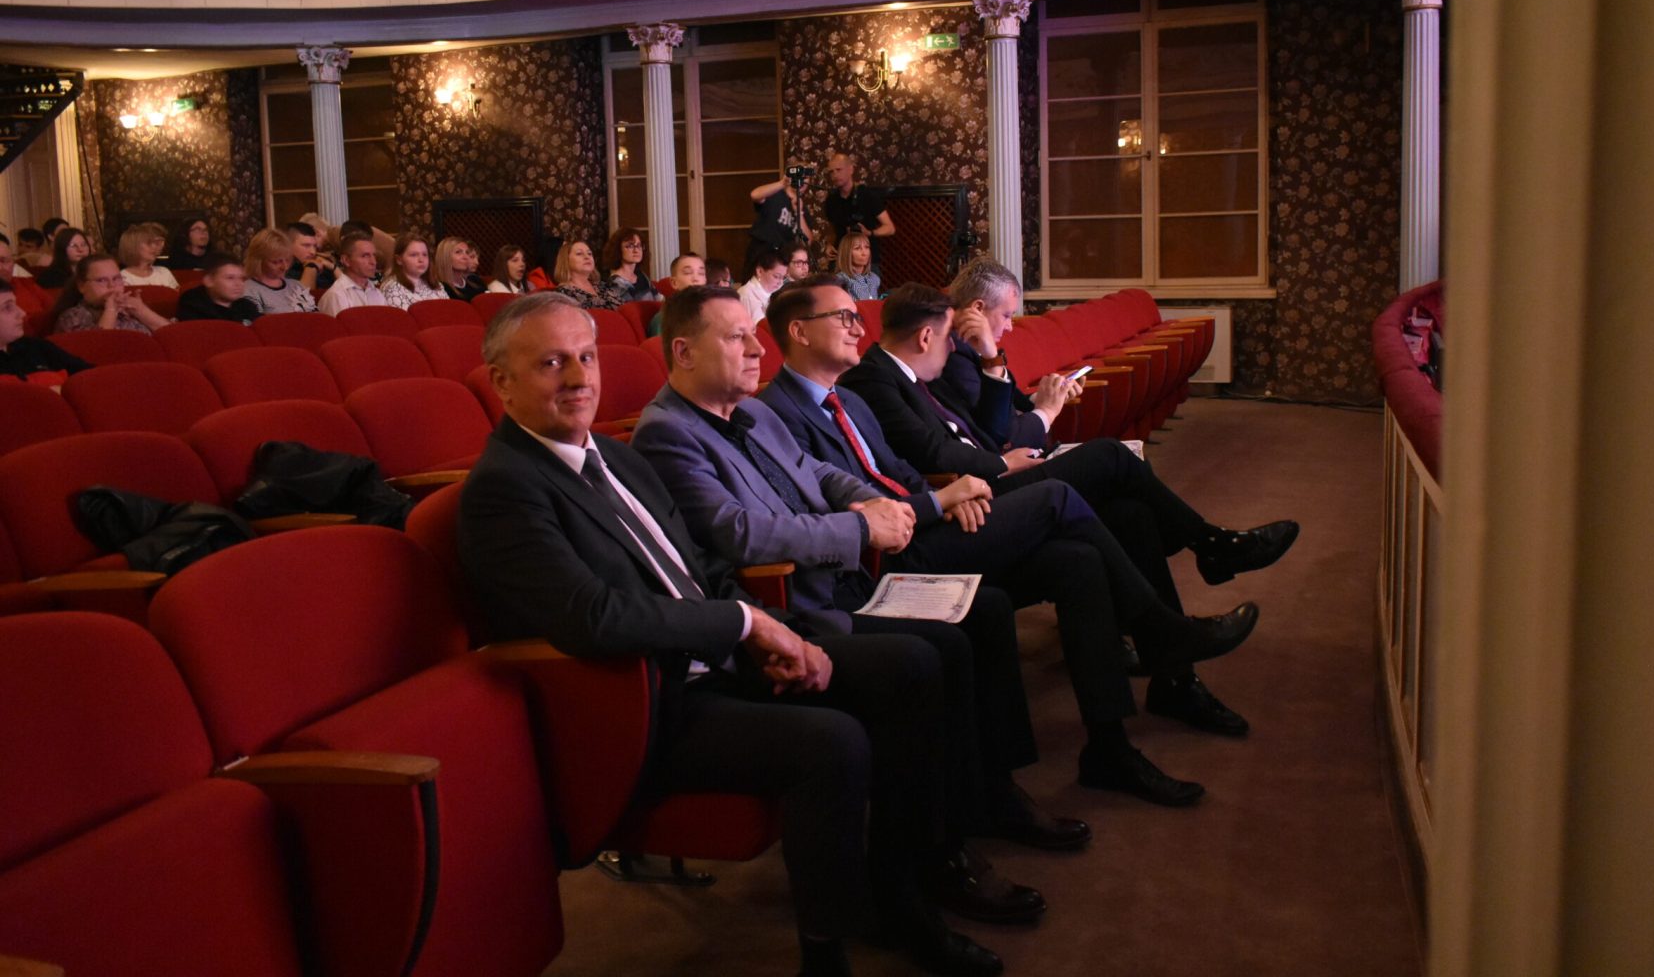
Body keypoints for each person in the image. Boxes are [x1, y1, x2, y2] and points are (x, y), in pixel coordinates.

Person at [459, 292, 1006, 977]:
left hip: (715, 657)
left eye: (587, 357)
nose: (578, 378)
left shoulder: (616, 459)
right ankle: (829, 953)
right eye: (551, 363)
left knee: (913, 666)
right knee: (832, 741)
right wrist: (746, 622)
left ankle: (906, 886)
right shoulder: (504, 488)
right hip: (646, 702)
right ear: (502, 381)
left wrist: (763, 630)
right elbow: (594, 617)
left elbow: (704, 568)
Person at [635, 286, 1098, 856]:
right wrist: (861, 528)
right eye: (737, 337)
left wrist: (881, 507)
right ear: (683, 352)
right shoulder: (665, 432)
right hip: (796, 601)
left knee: (988, 607)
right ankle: (935, 842)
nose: (757, 349)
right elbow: (741, 533)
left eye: (753, 334)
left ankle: (991, 790)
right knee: (936, 649)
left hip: (849, 571)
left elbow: (816, 472)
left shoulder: (751, 409)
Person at [757, 279, 1245, 795]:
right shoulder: (777, 415)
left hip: (932, 518)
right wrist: (940, 501)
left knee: (1079, 557)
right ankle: (1163, 626)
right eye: (845, 318)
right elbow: (837, 508)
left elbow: (901, 471)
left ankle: (1110, 747)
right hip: (887, 557)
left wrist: (948, 498)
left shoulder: (849, 400)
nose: (860, 329)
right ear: (800, 332)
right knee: (1062, 492)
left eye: (858, 317)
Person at [843, 284, 1298, 734]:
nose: (954, 345)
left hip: (980, 482)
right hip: (973, 495)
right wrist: (986, 472)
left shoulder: (916, 375)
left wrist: (1002, 387)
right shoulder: (875, 379)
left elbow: (976, 434)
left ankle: (1175, 676)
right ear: (927, 336)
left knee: (1130, 514)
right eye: (948, 337)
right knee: (1108, 456)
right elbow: (933, 455)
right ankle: (1206, 552)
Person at [0, 278, 91, 384]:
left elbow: (90, 374)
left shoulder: (34, 346)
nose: (22, 313)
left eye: (16, 305)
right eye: (7, 308)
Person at [51, 255, 171, 335]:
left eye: (117, 279)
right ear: (81, 286)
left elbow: (172, 335)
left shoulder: (130, 309)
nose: (112, 286)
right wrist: (111, 310)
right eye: (102, 280)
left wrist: (142, 310)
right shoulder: (72, 317)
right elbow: (97, 350)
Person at [822, 153, 895, 273]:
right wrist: (829, 245)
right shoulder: (831, 199)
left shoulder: (867, 196)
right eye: (831, 172)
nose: (835, 175)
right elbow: (832, 229)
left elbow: (890, 228)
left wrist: (870, 233)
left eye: (839, 170)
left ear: (850, 169)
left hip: (865, 261)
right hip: (841, 259)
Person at [746, 172, 812, 277]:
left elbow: (806, 242)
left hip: (783, 257)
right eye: (799, 176)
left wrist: (799, 212)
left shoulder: (803, 209)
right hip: (761, 250)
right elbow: (755, 195)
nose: (802, 180)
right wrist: (782, 183)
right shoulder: (774, 194)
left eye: (806, 177)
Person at [241, 228, 318, 316]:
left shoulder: (297, 286)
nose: (285, 267)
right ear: (258, 261)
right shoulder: (249, 290)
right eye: (276, 262)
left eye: (287, 260)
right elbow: (256, 323)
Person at [317, 232, 387, 316]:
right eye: (365, 256)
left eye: (374, 256)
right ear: (346, 260)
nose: (373, 262)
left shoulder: (377, 293)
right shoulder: (336, 295)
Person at [175, 255, 260, 324]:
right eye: (230, 278)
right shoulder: (193, 305)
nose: (239, 284)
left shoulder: (246, 306)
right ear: (209, 281)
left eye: (242, 279)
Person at [380, 233, 447, 311]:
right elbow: (402, 317)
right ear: (399, 260)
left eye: (425, 255)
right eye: (414, 255)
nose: (421, 260)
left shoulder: (436, 285)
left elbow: (449, 311)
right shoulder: (392, 288)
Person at [647, 252, 706, 337]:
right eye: (688, 272)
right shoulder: (665, 318)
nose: (696, 278)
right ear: (674, 282)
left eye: (701, 273)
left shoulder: (712, 311)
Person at [553, 240, 620, 311]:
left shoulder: (603, 286)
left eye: (589, 253)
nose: (587, 257)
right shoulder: (562, 294)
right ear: (566, 260)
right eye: (579, 253)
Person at [116, 221, 178, 290]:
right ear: (133, 246)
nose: (155, 247)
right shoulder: (122, 278)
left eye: (158, 243)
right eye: (149, 243)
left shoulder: (164, 272)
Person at [601, 228, 657, 302]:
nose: (636, 250)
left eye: (639, 245)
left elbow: (658, 299)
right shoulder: (615, 283)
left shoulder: (641, 275)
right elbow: (631, 308)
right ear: (618, 250)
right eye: (630, 246)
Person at [738, 247, 787, 326]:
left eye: (783, 278)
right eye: (776, 276)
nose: (780, 282)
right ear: (760, 271)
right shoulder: (747, 295)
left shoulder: (778, 292)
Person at [285, 221, 337, 296]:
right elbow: (303, 298)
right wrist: (311, 266)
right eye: (306, 246)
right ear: (288, 245)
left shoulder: (323, 265)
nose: (313, 252)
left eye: (314, 246)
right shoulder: (283, 270)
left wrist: (333, 267)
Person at [35, 227, 91, 291]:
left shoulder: (93, 271)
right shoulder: (51, 277)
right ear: (61, 248)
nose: (80, 249)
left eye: (83, 245)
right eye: (73, 245)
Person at [835, 229, 881, 301]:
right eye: (857, 248)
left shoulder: (874, 278)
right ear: (846, 253)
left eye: (867, 247)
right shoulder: (841, 279)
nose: (864, 253)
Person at [434, 236, 482, 303]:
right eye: (458, 252)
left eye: (467, 253)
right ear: (445, 257)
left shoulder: (475, 281)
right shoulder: (440, 288)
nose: (466, 257)